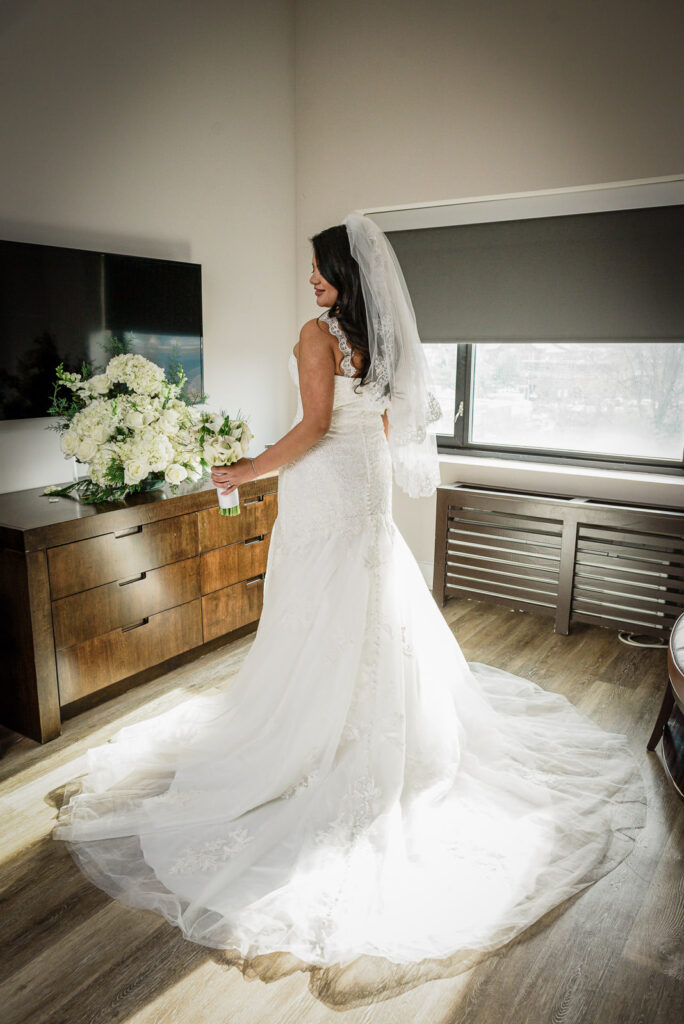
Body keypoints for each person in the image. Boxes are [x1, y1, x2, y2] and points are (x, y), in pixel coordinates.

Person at [53, 213, 647, 968]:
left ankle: (313, 737)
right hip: (364, 491)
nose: (310, 281)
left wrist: (241, 471)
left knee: (316, 608)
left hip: (326, 490)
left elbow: (310, 430)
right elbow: (394, 419)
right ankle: (368, 730)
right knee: (369, 603)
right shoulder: (379, 341)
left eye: (320, 270)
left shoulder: (316, 335)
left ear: (346, 275)